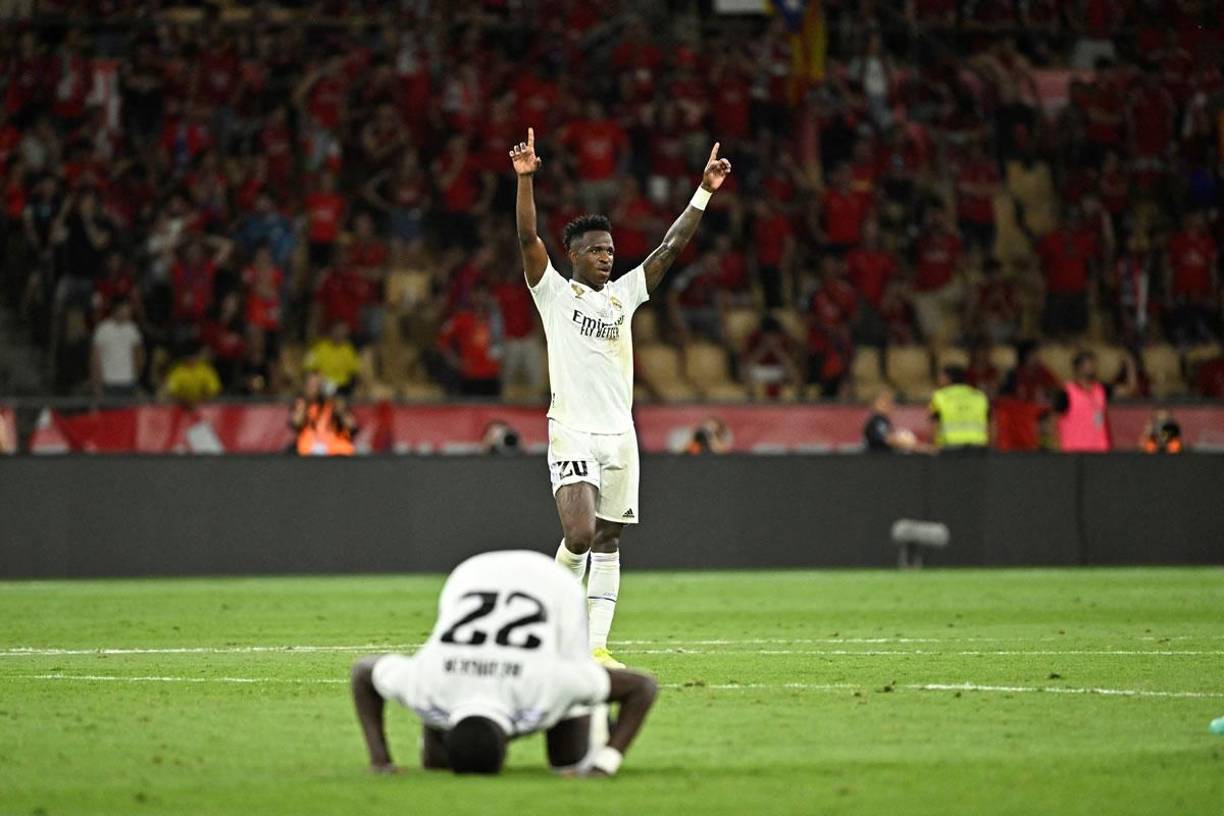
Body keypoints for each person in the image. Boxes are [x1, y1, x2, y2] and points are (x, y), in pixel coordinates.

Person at [511, 127, 731, 667]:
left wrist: (703, 191)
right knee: (581, 532)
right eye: (596, 251)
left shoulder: (624, 296)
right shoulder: (554, 294)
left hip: (620, 435)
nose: (607, 257)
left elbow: (671, 246)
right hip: (572, 428)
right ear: (574, 255)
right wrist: (525, 182)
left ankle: (597, 647)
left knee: (609, 540)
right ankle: (547, 610)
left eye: (610, 250)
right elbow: (526, 239)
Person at [350, 550, 658, 776]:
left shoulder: (545, 686)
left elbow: (642, 687)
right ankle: (588, 707)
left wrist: (603, 764)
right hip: (471, 573)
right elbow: (363, 672)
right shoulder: (425, 687)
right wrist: (379, 761)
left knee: (568, 758)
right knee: (435, 764)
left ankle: (594, 713)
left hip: (551, 585)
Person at [1052, 350, 1111, 452]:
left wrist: (1129, 363)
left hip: (1099, 450)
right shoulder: (1066, 392)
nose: (1091, 368)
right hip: (1074, 452)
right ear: (1078, 368)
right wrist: (1057, 447)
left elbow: (1129, 388)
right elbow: (1053, 420)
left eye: (1093, 364)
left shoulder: (1101, 389)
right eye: (1087, 364)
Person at [291, 372, 356, 456]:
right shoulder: (302, 404)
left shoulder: (336, 405)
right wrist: (302, 408)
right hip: (309, 452)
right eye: (310, 385)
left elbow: (352, 426)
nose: (313, 388)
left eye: (316, 385)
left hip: (336, 452)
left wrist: (341, 411)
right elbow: (296, 423)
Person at [90, 300, 143, 399]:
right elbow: (95, 359)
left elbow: (139, 355)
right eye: (125, 310)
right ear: (116, 311)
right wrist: (96, 384)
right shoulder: (102, 329)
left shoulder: (132, 329)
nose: (128, 313)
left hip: (128, 382)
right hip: (108, 382)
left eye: (129, 311)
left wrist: (135, 378)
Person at [928, 365, 990, 451]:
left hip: (949, 447)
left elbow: (934, 424)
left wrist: (933, 446)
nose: (939, 379)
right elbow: (991, 423)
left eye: (941, 376)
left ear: (948, 378)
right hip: (978, 447)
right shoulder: (979, 396)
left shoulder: (939, 397)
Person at [863, 388, 927, 453]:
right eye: (884, 401)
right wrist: (915, 446)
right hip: (876, 458)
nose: (888, 405)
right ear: (875, 403)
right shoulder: (877, 421)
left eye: (889, 402)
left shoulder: (882, 420)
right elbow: (887, 439)